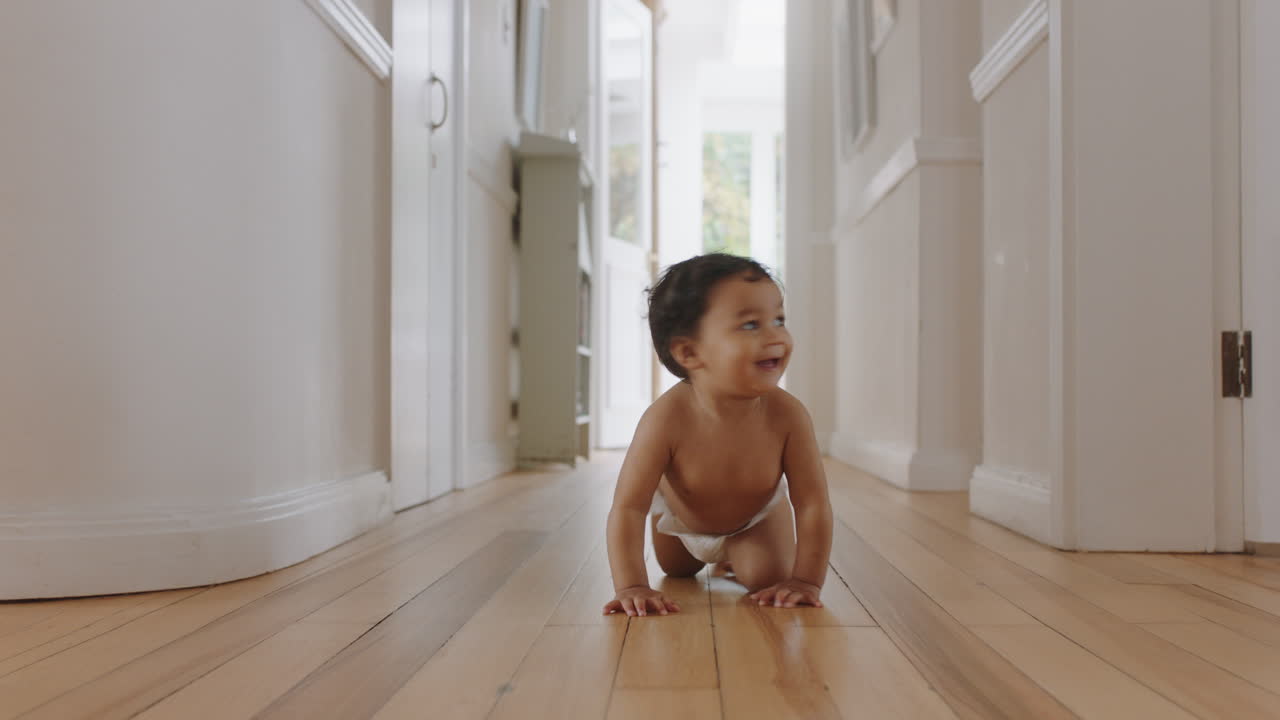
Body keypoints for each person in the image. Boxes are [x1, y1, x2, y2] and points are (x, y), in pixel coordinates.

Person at [602, 253, 833, 617]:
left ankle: (737, 552)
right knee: (677, 571)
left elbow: (812, 504)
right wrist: (632, 585)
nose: (774, 335)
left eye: (778, 319)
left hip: (755, 518)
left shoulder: (789, 416)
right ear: (690, 352)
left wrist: (806, 580)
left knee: (766, 576)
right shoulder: (665, 419)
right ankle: (713, 553)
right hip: (680, 522)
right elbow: (629, 506)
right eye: (750, 325)